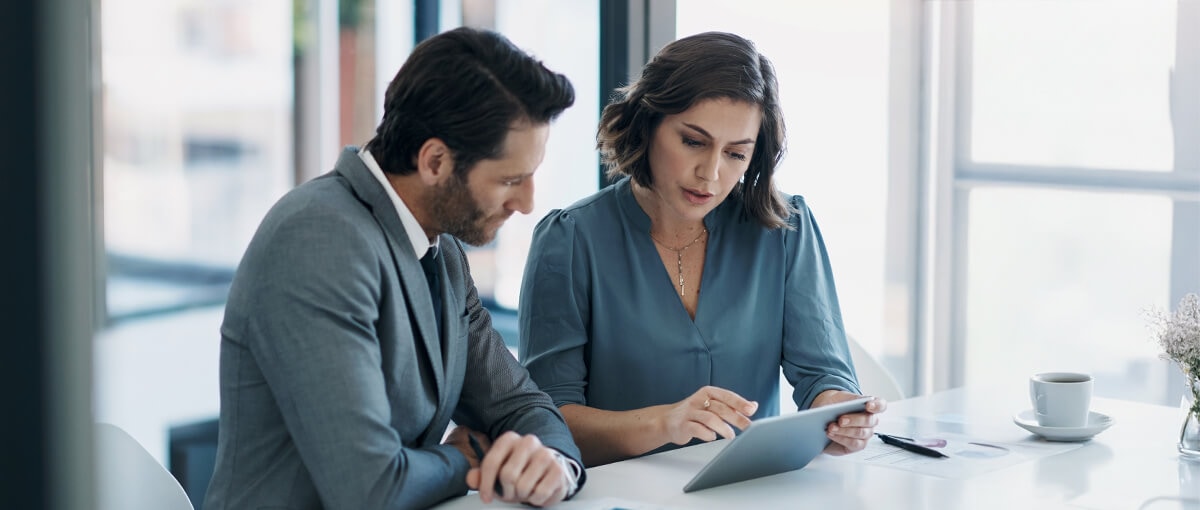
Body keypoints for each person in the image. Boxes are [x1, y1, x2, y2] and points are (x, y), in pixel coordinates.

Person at [204, 27, 584, 509]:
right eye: (511, 179)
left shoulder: (442, 252)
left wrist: (549, 462)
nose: (528, 203)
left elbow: (518, 404)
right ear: (435, 162)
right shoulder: (317, 239)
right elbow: (369, 487)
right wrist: (474, 459)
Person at [518, 31, 886, 467]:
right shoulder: (570, 240)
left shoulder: (785, 229)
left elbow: (823, 374)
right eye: (693, 141)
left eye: (736, 153)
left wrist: (840, 412)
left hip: (748, 492)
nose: (710, 174)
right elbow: (546, 422)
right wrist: (663, 423)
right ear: (647, 124)